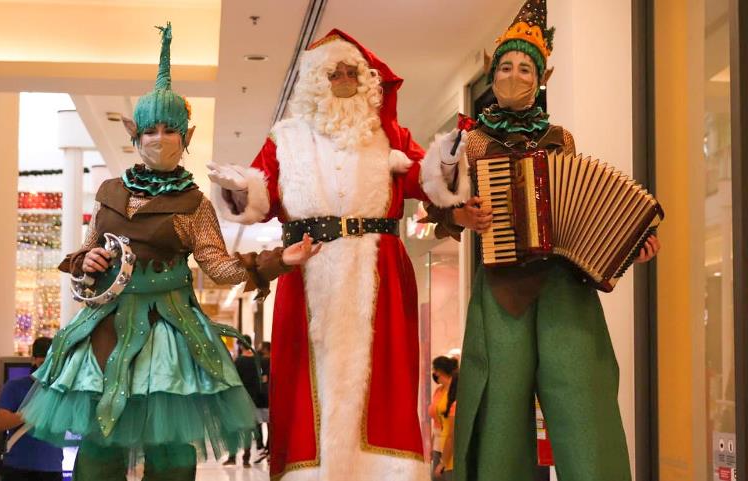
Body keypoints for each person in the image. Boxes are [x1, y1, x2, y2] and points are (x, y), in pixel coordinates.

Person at [18, 23, 319, 481]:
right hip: (107, 329)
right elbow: (86, 252)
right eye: (152, 129)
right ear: (135, 135)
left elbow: (218, 264)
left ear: (187, 136)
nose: (161, 137)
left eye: (170, 129)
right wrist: (89, 262)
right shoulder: (109, 191)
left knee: (171, 454)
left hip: (169, 331)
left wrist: (276, 260)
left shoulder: (194, 202)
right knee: (100, 449)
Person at [208, 29, 465, 481]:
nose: (344, 80)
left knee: (384, 380)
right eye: (334, 73)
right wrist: (236, 188)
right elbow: (260, 195)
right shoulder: (284, 139)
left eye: (352, 72)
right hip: (308, 270)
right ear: (314, 82)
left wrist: (446, 161)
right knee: (303, 381)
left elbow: (430, 184)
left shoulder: (390, 136)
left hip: (379, 271)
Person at [424, 1, 661, 480]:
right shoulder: (470, 141)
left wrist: (629, 246)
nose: (515, 75)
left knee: (583, 398)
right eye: (506, 66)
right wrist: (462, 217)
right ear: (493, 73)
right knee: (499, 406)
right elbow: (437, 208)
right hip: (501, 288)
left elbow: (587, 208)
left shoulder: (559, 137)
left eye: (525, 67)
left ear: (540, 76)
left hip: (563, 286)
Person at [0, 337, 63, 481]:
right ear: (33, 360)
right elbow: (1, 422)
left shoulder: (62, 391)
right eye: (43, 362)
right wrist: (31, 412)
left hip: (51, 467)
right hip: (18, 467)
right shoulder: (14, 387)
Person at [225, 336, 262, 467]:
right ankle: (246, 459)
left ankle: (232, 457)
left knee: (234, 428)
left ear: (241, 345)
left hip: (239, 398)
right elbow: (259, 380)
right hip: (253, 398)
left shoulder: (239, 361)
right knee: (248, 428)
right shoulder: (257, 360)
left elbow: (233, 380)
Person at [428, 356, 457, 481]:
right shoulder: (438, 391)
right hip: (438, 443)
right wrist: (431, 443)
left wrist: (443, 461)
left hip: (448, 444)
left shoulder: (454, 392)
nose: (434, 373)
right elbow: (436, 421)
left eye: (435, 370)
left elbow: (452, 432)